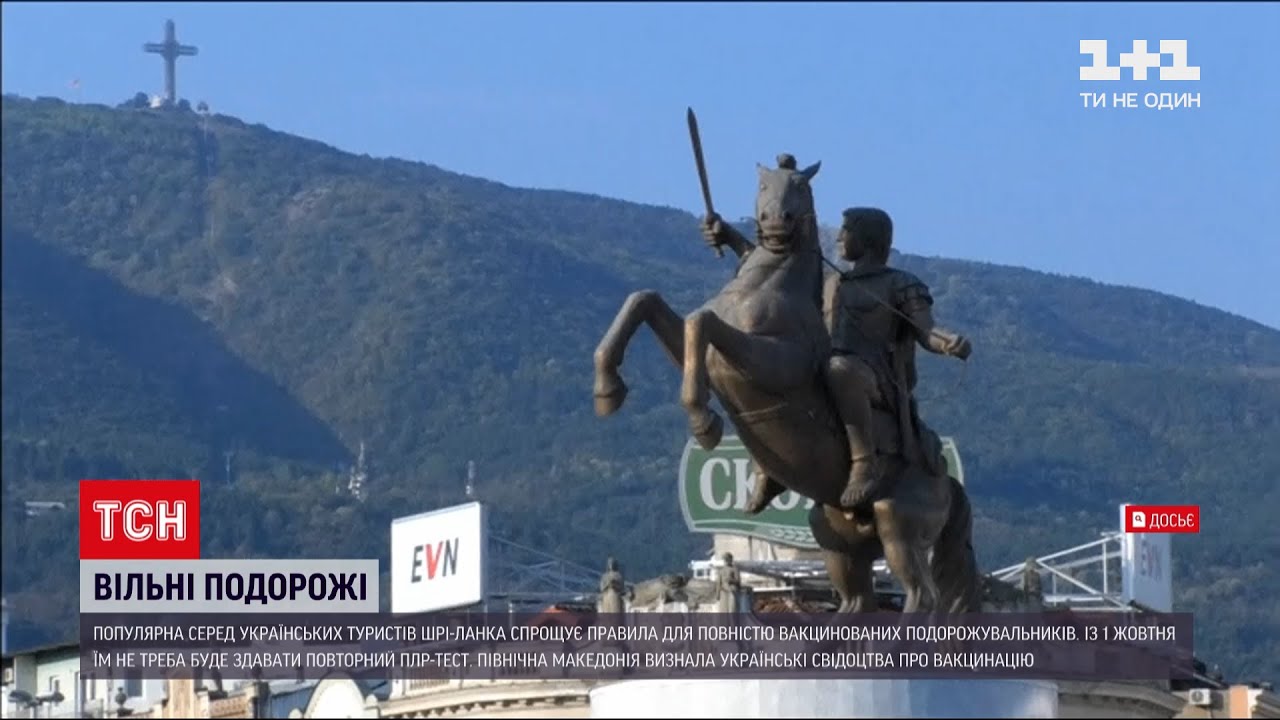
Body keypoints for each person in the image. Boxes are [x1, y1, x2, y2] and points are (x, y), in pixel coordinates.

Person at [822, 207, 971, 509]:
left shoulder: (901, 283)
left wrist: (949, 344)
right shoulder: (832, 283)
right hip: (828, 367)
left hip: (876, 376)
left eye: (846, 230)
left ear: (867, 239)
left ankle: (863, 463)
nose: (838, 237)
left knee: (840, 369)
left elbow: (926, 331)